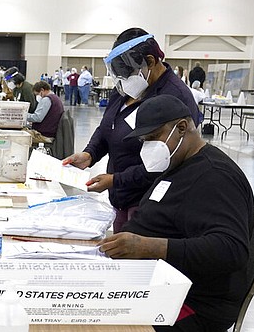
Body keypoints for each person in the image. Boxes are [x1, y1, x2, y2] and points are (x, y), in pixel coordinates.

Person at [54, 94, 254, 332]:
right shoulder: (177, 166)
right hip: (162, 280)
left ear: (183, 127)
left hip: (196, 301)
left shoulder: (215, 177)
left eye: (154, 137)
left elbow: (231, 250)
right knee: (81, 293)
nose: (149, 147)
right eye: (144, 140)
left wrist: (151, 247)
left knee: (115, 312)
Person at [62, 28, 200, 232]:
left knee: (135, 258)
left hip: (150, 203)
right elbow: (107, 126)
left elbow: (166, 162)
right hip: (121, 197)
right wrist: (90, 154)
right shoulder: (126, 89)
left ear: (151, 62)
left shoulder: (174, 98)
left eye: (128, 73)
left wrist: (116, 180)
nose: (124, 80)